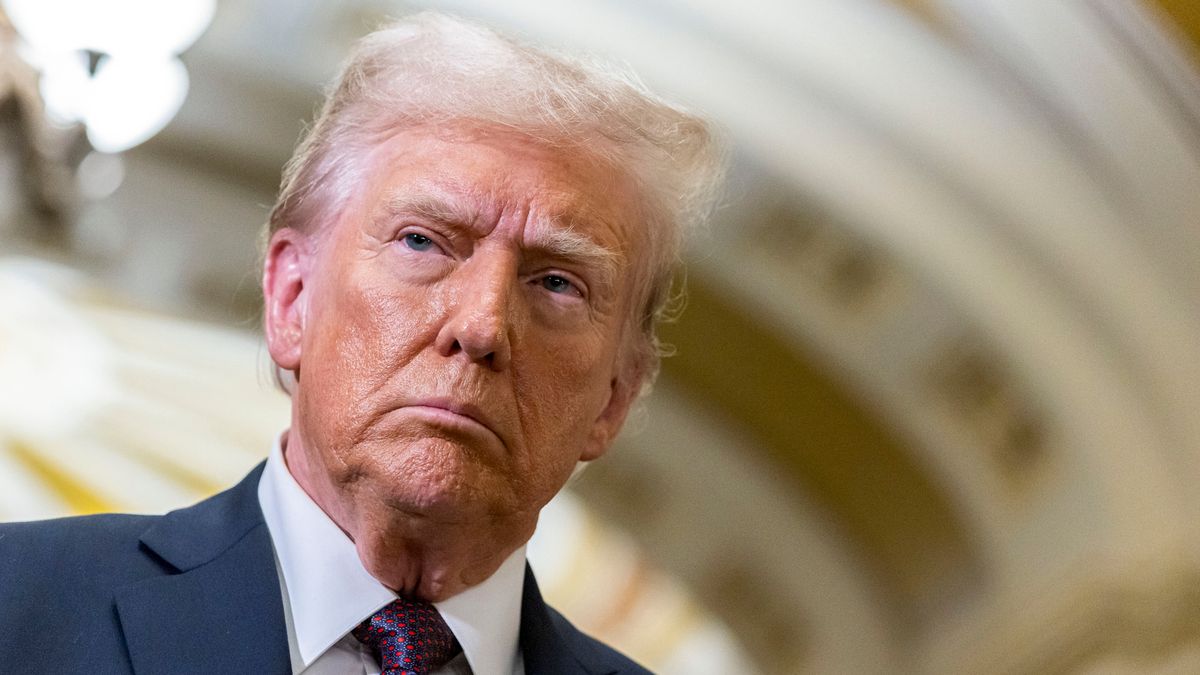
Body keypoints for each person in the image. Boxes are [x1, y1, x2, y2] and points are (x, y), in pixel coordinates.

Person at [0, 11, 723, 675]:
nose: (480, 326)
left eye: (558, 283)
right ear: (291, 297)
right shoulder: (21, 609)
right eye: (423, 241)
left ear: (614, 399)